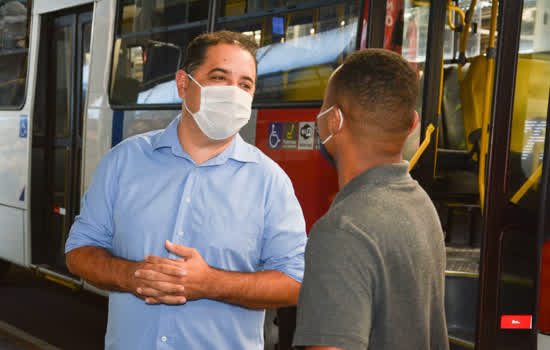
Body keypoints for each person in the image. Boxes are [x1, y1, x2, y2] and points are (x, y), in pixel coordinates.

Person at [65, 31, 307, 350]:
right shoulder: (124, 162)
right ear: (183, 84)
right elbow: (79, 252)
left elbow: (296, 282)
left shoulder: (269, 181)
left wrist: (210, 283)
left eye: (245, 84)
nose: (233, 93)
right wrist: (130, 275)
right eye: (219, 77)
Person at [293, 49, 449, 350]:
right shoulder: (421, 204)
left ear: (334, 120)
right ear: (413, 123)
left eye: (323, 106)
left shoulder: (342, 231)